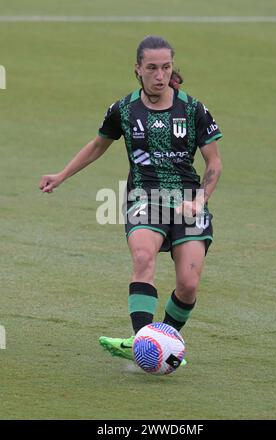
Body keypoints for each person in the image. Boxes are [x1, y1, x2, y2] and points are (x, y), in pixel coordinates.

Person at [39, 35, 222, 367]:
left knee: (188, 284)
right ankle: (144, 347)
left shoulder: (193, 109)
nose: (159, 75)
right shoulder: (123, 109)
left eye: (165, 67)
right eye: (151, 68)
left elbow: (214, 163)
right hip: (145, 196)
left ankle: (162, 340)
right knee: (142, 257)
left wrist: (199, 200)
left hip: (187, 200)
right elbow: (98, 145)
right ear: (137, 70)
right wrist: (62, 175)